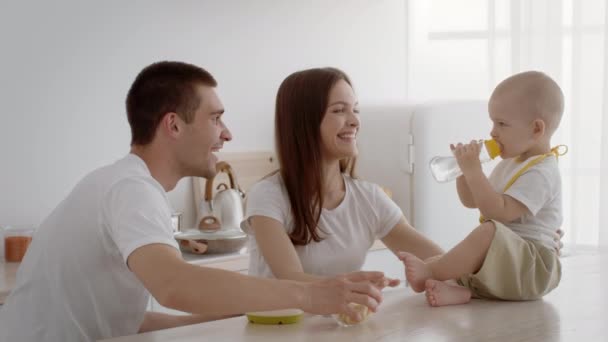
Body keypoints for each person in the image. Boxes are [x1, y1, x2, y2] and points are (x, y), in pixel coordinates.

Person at [0, 61, 389, 342]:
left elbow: (124, 322)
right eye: (216, 119)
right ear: (173, 125)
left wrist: (241, 311)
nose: (228, 134)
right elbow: (174, 284)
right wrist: (308, 294)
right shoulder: (131, 190)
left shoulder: (122, 184)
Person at [242, 67, 444, 289]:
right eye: (339, 110)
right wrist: (354, 284)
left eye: (355, 110)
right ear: (304, 122)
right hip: (278, 323)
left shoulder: (369, 198)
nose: (355, 121)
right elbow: (290, 279)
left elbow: (438, 260)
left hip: (340, 323)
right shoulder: (268, 196)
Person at [400, 71, 566, 306]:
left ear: (536, 129)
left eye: (502, 123)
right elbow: (472, 201)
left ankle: (430, 270)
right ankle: (458, 290)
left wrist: (474, 172)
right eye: (492, 122)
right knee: (467, 251)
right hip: (509, 261)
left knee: (487, 233)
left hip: (534, 267)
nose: (492, 132)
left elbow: (497, 212)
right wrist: (463, 174)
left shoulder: (541, 172)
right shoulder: (510, 162)